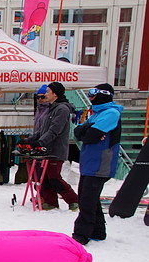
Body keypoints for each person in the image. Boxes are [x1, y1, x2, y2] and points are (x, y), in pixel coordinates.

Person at [72, 83, 123, 245]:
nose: (90, 97)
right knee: (88, 198)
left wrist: (87, 132)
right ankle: (98, 231)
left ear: (104, 95)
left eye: (93, 94)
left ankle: (81, 234)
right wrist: (86, 131)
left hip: (101, 164)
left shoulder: (110, 113)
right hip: (89, 163)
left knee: (87, 199)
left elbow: (91, 136)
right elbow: (77, 132)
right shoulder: (96, 114)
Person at [22, 81, 79, 211]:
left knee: (54, 177)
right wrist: (31, 140)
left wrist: (41, 142)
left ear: (55, 94)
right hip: (46, 149)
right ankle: (50, 202)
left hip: (56, 150)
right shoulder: (50, 108)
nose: (45, 94)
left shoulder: (62, 109)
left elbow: (54, 130)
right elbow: (43, 129)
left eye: (47, 92)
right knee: (46, 178)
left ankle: (74, 200)